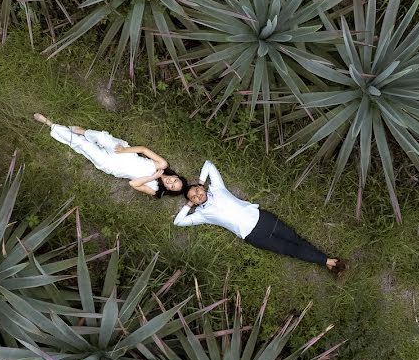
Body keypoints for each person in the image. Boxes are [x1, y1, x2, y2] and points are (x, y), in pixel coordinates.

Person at [174, 161, 346, 273]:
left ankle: (327, 261)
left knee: (295, 238)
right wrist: (189, 205)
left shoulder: (218, 189)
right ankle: (327, 261)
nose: (197, 196)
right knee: (289, 250)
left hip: (263, 219)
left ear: (202, 188)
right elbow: (178, 221)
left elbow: (208, 165)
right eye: (193, 198)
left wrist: (201, 183)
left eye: (197, 191)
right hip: (253, 236)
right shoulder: (202, 214)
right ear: (194, 203)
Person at [33, 113, 186, 197]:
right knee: (101, 137)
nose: (170, 182)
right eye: (175, 181)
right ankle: (84, 131)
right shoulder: (163, 165)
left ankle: (50, 123)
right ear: (176, 176)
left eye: (172, 186)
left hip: (113, 166)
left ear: (169, 190)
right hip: (126, 155)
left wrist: (152, 178)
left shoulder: (156, 190)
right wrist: (124, 150)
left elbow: (133, 184)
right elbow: (144, 150)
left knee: (84, 146)